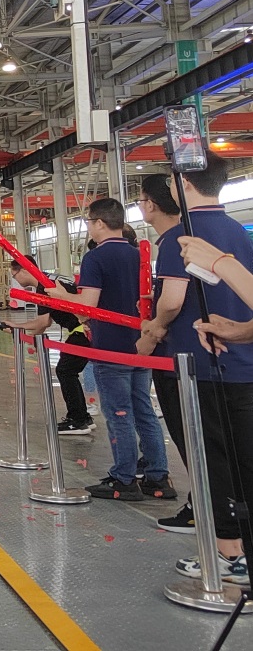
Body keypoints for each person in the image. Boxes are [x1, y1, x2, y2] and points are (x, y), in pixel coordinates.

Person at [140, 152, 253, 585]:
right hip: (242, 364)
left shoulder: (182, 236)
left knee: (209, 460)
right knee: (242, 461)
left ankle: (227, 552)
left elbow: (172, 299)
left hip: (198, 367)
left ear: (184, 183)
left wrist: (154, 330)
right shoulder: (238, 230)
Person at [59, 198, 171, 502]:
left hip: (111, 348)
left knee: (119, 414)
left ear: (98, 223)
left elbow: (88, 305)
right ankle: (158, 476)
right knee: (143, 411)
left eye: (88, 222)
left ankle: (124, 478)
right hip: (141, 345)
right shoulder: (138, 255)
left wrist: (60, 295)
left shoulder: (95, 258)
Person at [133, 173, 193, 532]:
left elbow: (171, 302)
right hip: (200, 357)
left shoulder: (173, 241)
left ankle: (205, 509)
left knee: (191, 436)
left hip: (178, 359)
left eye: (141, 200)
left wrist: (152, 332)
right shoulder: (199, 234)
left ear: (151, 205)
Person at [10, 260, 92, 434]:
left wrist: (15, 326)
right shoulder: (51, 279)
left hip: (84, 330)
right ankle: (83, 417)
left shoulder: (44, 287)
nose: (15, 280)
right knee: (68, 371)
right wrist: (23, 332)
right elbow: (43, 325)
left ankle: (78, 421)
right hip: (84, 329)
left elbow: (43, 322)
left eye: (14, 275)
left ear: (23, 270)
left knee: (65, 371)